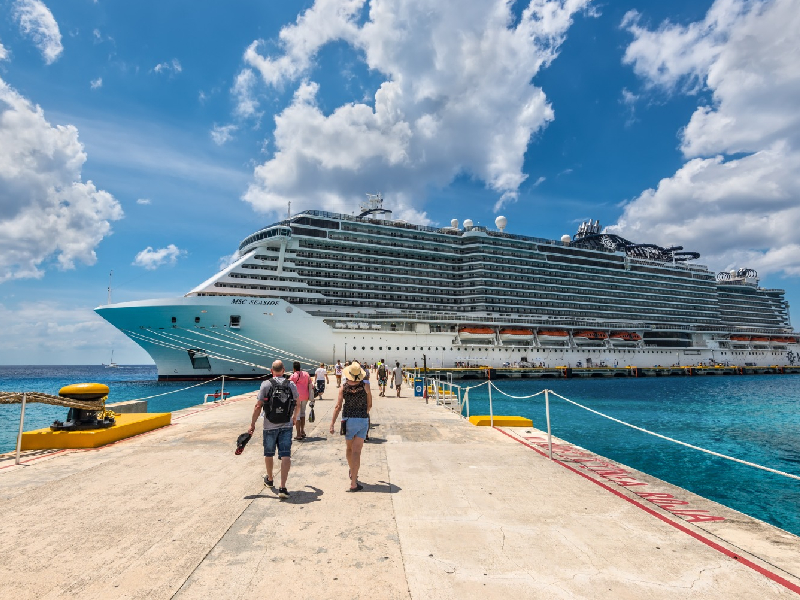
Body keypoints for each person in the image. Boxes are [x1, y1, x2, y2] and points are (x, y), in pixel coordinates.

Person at [248, 360, 300, 499]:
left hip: (269, 425)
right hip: (286, 425)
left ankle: (270, 479)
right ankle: (283, 487)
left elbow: (258, 406)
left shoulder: (266, 384)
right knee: (285, 455)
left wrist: (252, 424)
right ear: (283, 370)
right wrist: (295, 417)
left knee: (269, 453)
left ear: (272, 370)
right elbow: (297, 403)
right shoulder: (291, 384)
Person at [329, 361, 372, 491]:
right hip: (362, 420)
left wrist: (332, 423)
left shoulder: (344, 387)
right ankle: (354, 481)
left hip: (347, 420)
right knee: (357, 451)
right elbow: (369, 405)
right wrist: (363, 413)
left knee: (349, 449)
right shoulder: (365, 386)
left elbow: (338, 406)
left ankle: (351, 469)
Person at [290, 361, 314, 440]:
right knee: (303, 413)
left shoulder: (293, 376)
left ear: (294, 368)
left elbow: (288, 384)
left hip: (297, 397)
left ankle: (298, 434)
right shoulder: (306, 374)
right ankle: (303, 431)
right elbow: (311, 384)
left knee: (297, 415)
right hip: (306, 396)